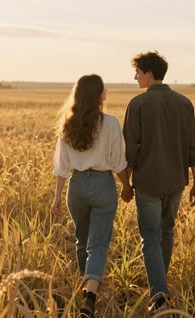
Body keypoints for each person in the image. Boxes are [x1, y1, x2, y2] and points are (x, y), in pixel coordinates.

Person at [122, 51, 195, 314]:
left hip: (147, 182)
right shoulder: (184, 103)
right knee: (166, 233)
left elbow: (129, 152)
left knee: (150, 237)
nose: (135, 77)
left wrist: (125, 183)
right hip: (176, 182)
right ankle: (160, 288)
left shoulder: (138, 104)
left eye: (137, 72)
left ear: (148, 73)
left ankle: (158, 295)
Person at [51, 74, 133, 317]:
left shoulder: (67, 124)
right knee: (97, 244)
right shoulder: (110, 123)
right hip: (103, 186)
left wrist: (57, 197)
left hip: (76, 188)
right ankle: (90, 295)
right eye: (103, 87)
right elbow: (118, 163)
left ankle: (85, 286)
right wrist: (127, 186)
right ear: (98, 95)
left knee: (82, 241)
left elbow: (62, 166)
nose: (107, 89)